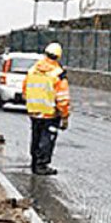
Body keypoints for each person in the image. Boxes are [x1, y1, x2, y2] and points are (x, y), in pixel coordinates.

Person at [22, 42, 71, 175]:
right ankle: (42, 165)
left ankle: (34, 162)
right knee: (47, 138)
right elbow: (62, 98)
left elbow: (25, 90)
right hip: (50, 113)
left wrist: (31, 103)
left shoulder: (33, 70)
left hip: (34, 111)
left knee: (36, 136)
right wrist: (65, 116)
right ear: (59, 56)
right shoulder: (58, 74)